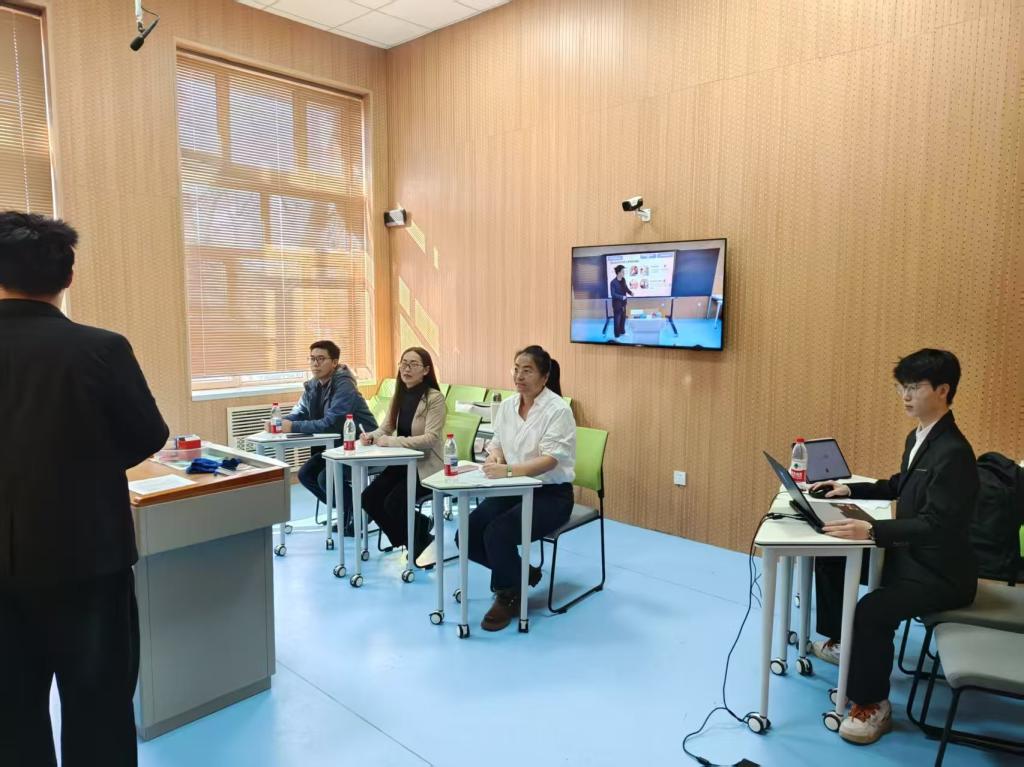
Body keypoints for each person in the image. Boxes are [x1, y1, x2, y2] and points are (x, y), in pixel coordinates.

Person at [0, 211, 169, 766]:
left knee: (10, 718)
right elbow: (148, 434)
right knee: (99, 711)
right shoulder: (101, 348)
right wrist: (84, 466)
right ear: (68, 277)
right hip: (89, 560)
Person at [808, 349, 979, 745]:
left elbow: (936, 525)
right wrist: (850, 489)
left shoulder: (954, 453)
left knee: (872, 610)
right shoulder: (920, 436)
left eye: (914, 387)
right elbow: (901, 485)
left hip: (942, 574)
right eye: (901, 387)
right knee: (830, 556)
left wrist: (872, 532)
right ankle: (843, 644)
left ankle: (873, 704)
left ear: (943, 390)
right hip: (912, 554)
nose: (905, 395)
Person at [459, 345, 576, 631]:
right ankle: (523, 574)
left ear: (544, 377)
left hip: (551, 494)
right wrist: (495, 458)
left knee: (498, 533)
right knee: (467, 533)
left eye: (527, 370)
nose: (519, 376)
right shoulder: (508, 406)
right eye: (516, 369)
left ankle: (508, 594)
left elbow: (550, 460)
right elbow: (497, 444)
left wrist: (508, 470)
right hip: (512, 487)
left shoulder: (558, 410)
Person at [275, 340, 377, 535]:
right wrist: (280, 422)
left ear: (335, 362)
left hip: (361, 445)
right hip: (336, 448)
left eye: (321, 359)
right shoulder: (314, 384)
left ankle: (361, 511)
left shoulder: (344, 385)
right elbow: (300, 412)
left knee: (325, 477)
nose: (315, 364)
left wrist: (293, 426)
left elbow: (331, 423)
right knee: (306, 474)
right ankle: (354, 510)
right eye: (312, 359)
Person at [360, 347, 445, 564]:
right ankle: (418, 532)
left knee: (393, 503)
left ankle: (415, 539)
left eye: (413, 364)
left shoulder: (434, 398)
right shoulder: (399, 394)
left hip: (426, 466)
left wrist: (393, 441)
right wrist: (371, 436)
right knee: (369, 498)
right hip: (402, 463)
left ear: (426, 370)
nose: (406, 369)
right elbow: (386, 428)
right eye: (403, 363)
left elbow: (431, 439)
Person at [610, 264, 633, 338]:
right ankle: (617, 335)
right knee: (617, 320)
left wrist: (630, 292)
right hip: (617, 305)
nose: (624, 273)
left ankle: (622, 332)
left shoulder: (623, 280)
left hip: (623, 304)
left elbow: (626, 288)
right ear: (618, 272)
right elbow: (613, 294)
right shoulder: (613, 282)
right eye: (623, 271)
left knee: (623, 319)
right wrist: (621, 297)